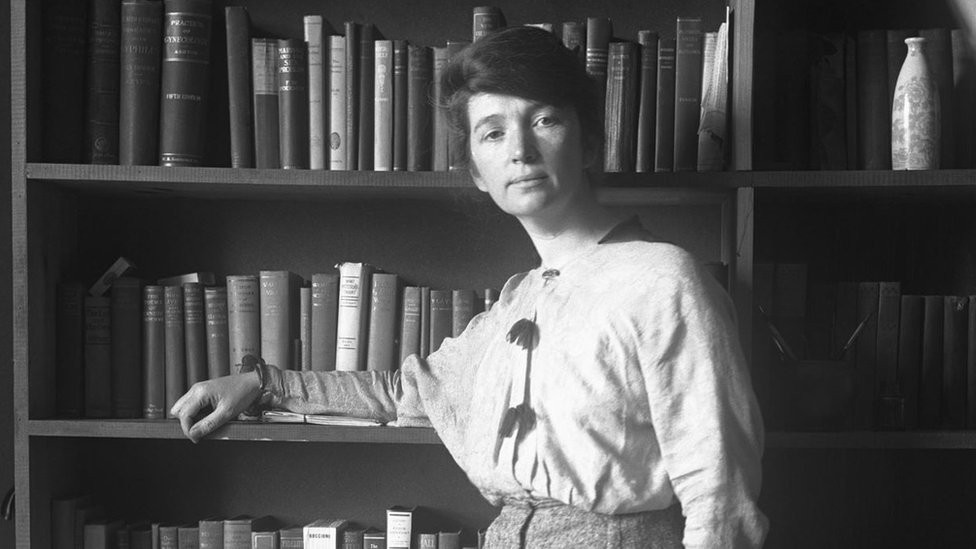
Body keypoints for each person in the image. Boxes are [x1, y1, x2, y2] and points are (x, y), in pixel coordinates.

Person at [172, 26, 768, 548]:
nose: (520, 150)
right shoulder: (515, 304)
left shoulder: (664, 280)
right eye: (492, 133)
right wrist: (261, 382)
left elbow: (721, 495)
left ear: (588, 142)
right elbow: (401, 391)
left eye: (544, 118)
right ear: (477, 175)